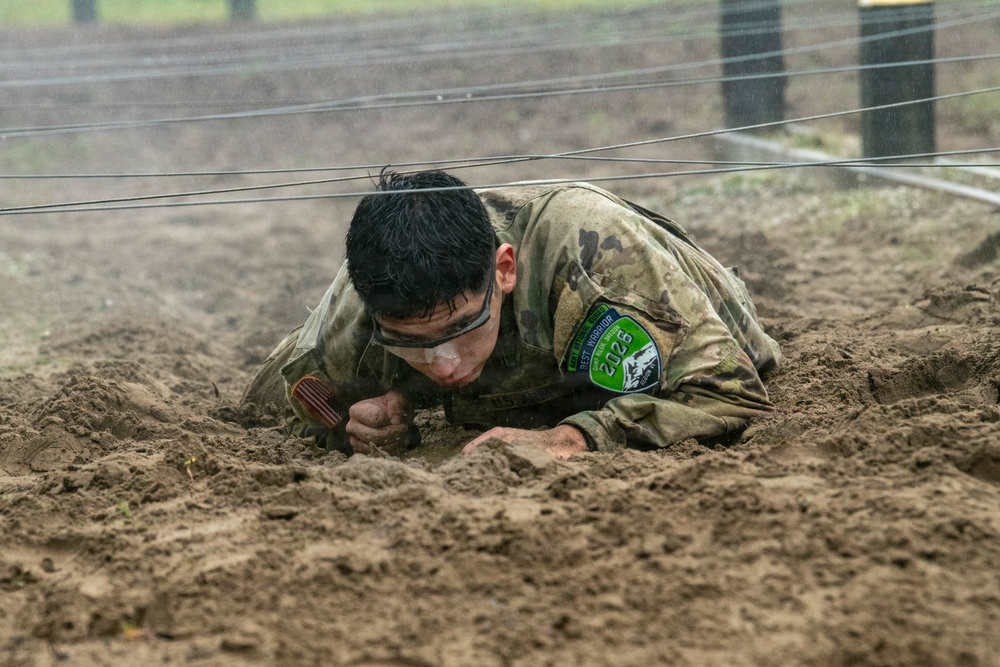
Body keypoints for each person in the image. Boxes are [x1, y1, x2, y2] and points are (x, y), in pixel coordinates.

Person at [241, 169, 781, 458]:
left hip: (644, 313)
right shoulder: (359, 311)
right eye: (413, 344)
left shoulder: (595, 256)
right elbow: (282, 401)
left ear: (504, 270)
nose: (446, 364)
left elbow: (730, 392)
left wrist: (571, 440)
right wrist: (370, 413)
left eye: (460, 330)